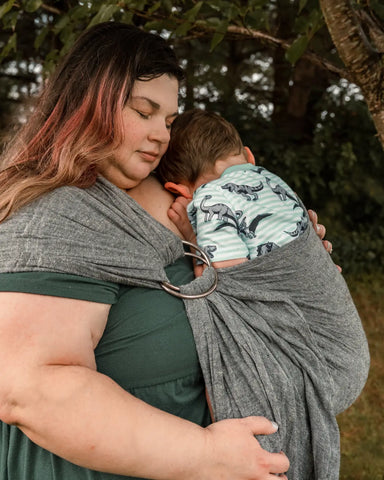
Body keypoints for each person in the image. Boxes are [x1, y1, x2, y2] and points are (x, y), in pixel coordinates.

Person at [0, 22, 364, 480]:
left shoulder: (176, 195)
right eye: (144, 111)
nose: (161, 135)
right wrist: (207, 453)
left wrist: (282, 262)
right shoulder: (51, 219)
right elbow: (34, 391)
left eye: (169, 121)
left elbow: (224, 290)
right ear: (87, 103)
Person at [156, 108, 370, 478]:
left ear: (178, 189)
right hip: (348, 351)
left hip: (316, 370)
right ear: (249, 156)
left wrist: (192, 239)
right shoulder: (276, 182)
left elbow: (225, 287)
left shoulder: (208, 201)